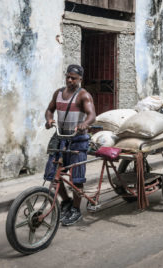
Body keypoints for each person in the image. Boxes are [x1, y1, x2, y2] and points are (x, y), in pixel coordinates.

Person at [44, 64, 96, 226]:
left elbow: (92, 114)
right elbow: (49, 110)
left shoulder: (83, 95)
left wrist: (84, 124)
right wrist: (49, 120)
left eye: (73, 78)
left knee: (77, 178)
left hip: (78, 140)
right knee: (53, 175)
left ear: (80, 79)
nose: (69, 80)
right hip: (60, 138)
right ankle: (66, 201)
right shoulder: (58, 93)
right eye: (68, 76)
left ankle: (75, 209)